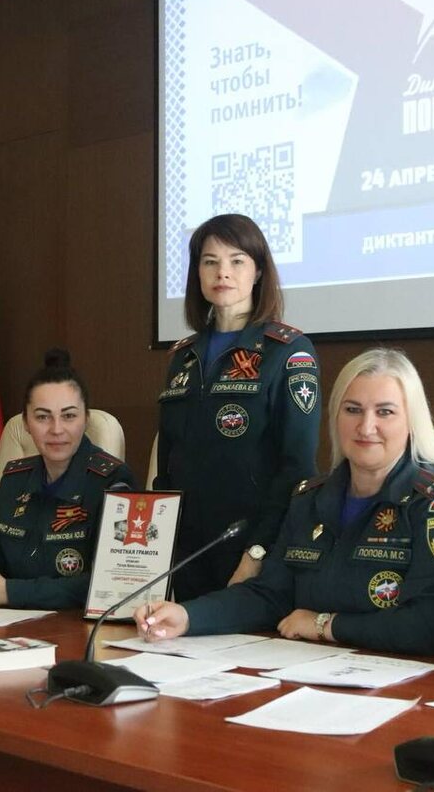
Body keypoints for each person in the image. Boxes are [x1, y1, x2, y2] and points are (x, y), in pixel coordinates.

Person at [136, 348, 434, 654]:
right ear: (335, 416)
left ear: (411, 422)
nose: (366, 427)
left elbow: (431, 623)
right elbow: (270, 595)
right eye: (352, 409)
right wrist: (187, 616)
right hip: (306, 668)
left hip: (409, 680)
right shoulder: (310, 498)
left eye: (385, 412)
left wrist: (326, 626)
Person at [154, 213, 321, 602]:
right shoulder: (182, 356)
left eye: (237, 260)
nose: (222, 272)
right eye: (210, 261)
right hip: (187, 549)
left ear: (258, 271)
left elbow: (297, 468)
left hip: (250, 546)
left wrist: (257, 550)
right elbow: (167, 464)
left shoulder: (288, 352)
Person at [0, 349, 137, 609]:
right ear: (26, 423)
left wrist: (11, 592)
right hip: (11, 624)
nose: (56, 429)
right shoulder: (15, 478)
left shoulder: (113, 480)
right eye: (42, 417)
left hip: (78, 626)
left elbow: (112, 583)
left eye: (69, 416)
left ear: (86, 419)